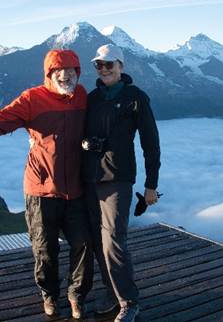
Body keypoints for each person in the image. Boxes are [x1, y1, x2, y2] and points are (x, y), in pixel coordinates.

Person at [0, 49, 92, 319]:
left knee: (84, 245)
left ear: (78, 72)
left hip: (76, 190)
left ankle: (76, 296)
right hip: (41, 190)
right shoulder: (33, 99)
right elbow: (1, 120)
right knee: (45, 250)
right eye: (60, 70)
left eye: (71, 70)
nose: (66, 74)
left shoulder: (82, 96)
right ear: (50, 73)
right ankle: (49, 297)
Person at [82, 44, 161, 322]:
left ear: (121, 66)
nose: (104, 69)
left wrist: (151, 185)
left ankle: (129, 301)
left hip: (118, 178)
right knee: (96, 240)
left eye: (109, 64)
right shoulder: (91, 99)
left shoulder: (136, 98)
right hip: (90, 177)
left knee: (113, 239)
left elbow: (151, 142)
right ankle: (111, 293)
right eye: (99, 65)